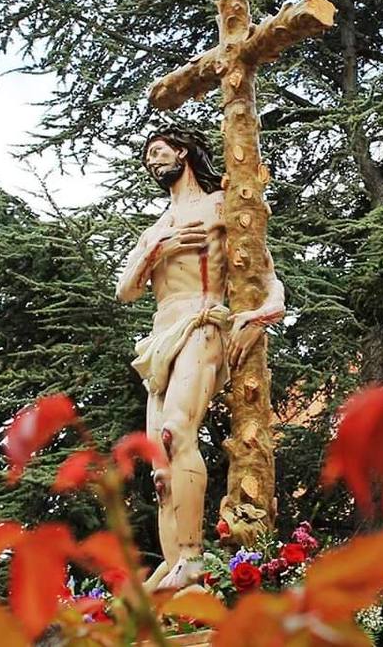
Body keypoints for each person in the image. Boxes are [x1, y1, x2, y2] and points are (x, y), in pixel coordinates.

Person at [116, 126, 284, 590]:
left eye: (158, 152)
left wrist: (264, 311)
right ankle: (175, 569)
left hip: (202, 319)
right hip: (159, 337)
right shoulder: (155, 229)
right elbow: (125, 290)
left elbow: (264, 268)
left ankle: (192, 557)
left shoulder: (217, 207)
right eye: (148, 157)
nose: (152, 162)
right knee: (159, 464)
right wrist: (155, 250)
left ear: (183, 152)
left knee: (174, 434)